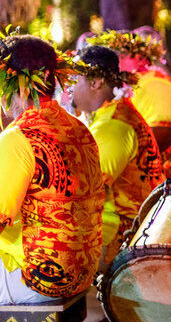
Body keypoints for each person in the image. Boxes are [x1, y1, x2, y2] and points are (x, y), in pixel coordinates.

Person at [0, 35, 104, 304]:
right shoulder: (79, 128)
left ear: (14, 86)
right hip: (83, 272)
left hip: (39, 278)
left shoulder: (19, 136)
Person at [71, 45, 163, 269]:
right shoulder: (113, 115)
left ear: (95, 82)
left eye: (74, 80)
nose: (69, 89)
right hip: (133, 233)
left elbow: (83, 190)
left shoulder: (113, 126)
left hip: (121, 241)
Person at [90, 31, 171, 180]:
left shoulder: (154, 82)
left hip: (166, 187)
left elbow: (165, 130)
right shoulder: (133, 83)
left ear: (133, 56)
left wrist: (127, 158)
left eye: (115, 56)